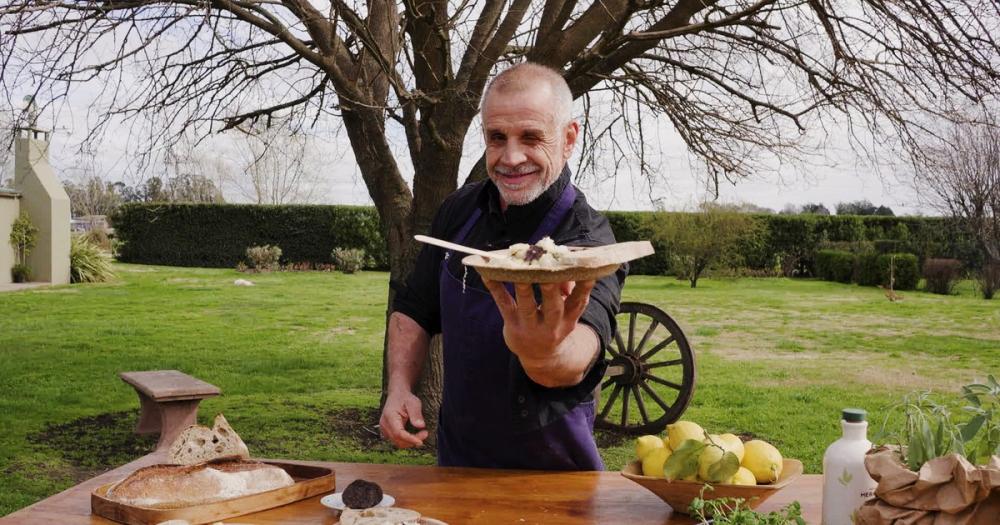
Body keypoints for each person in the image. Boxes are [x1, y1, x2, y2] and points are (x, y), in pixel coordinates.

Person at [380, 62, 626, 471]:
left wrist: (546, 355)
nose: (511, 158)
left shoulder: (588, 239)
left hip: (556, 481)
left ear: (568, 139)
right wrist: (400, 387)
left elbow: (582, 351)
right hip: (457, 468)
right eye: (497, 138)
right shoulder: (461, 211)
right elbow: (413, 309)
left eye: (531, 137)